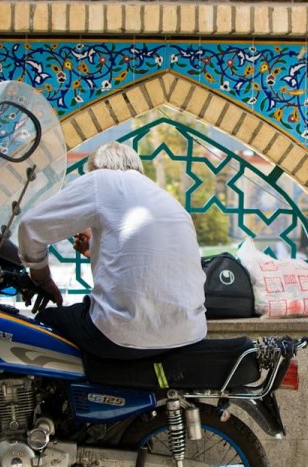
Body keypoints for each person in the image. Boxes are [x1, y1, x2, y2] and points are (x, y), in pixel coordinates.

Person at [17, 141, 207, 360]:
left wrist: (42, 280)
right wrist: (94, 251)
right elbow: (144, 264)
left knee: (45, 320)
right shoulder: (168, 201)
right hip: (189, 333)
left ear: (95, 169)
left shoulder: (102, 179)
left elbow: (31, 227)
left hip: (124, 335)